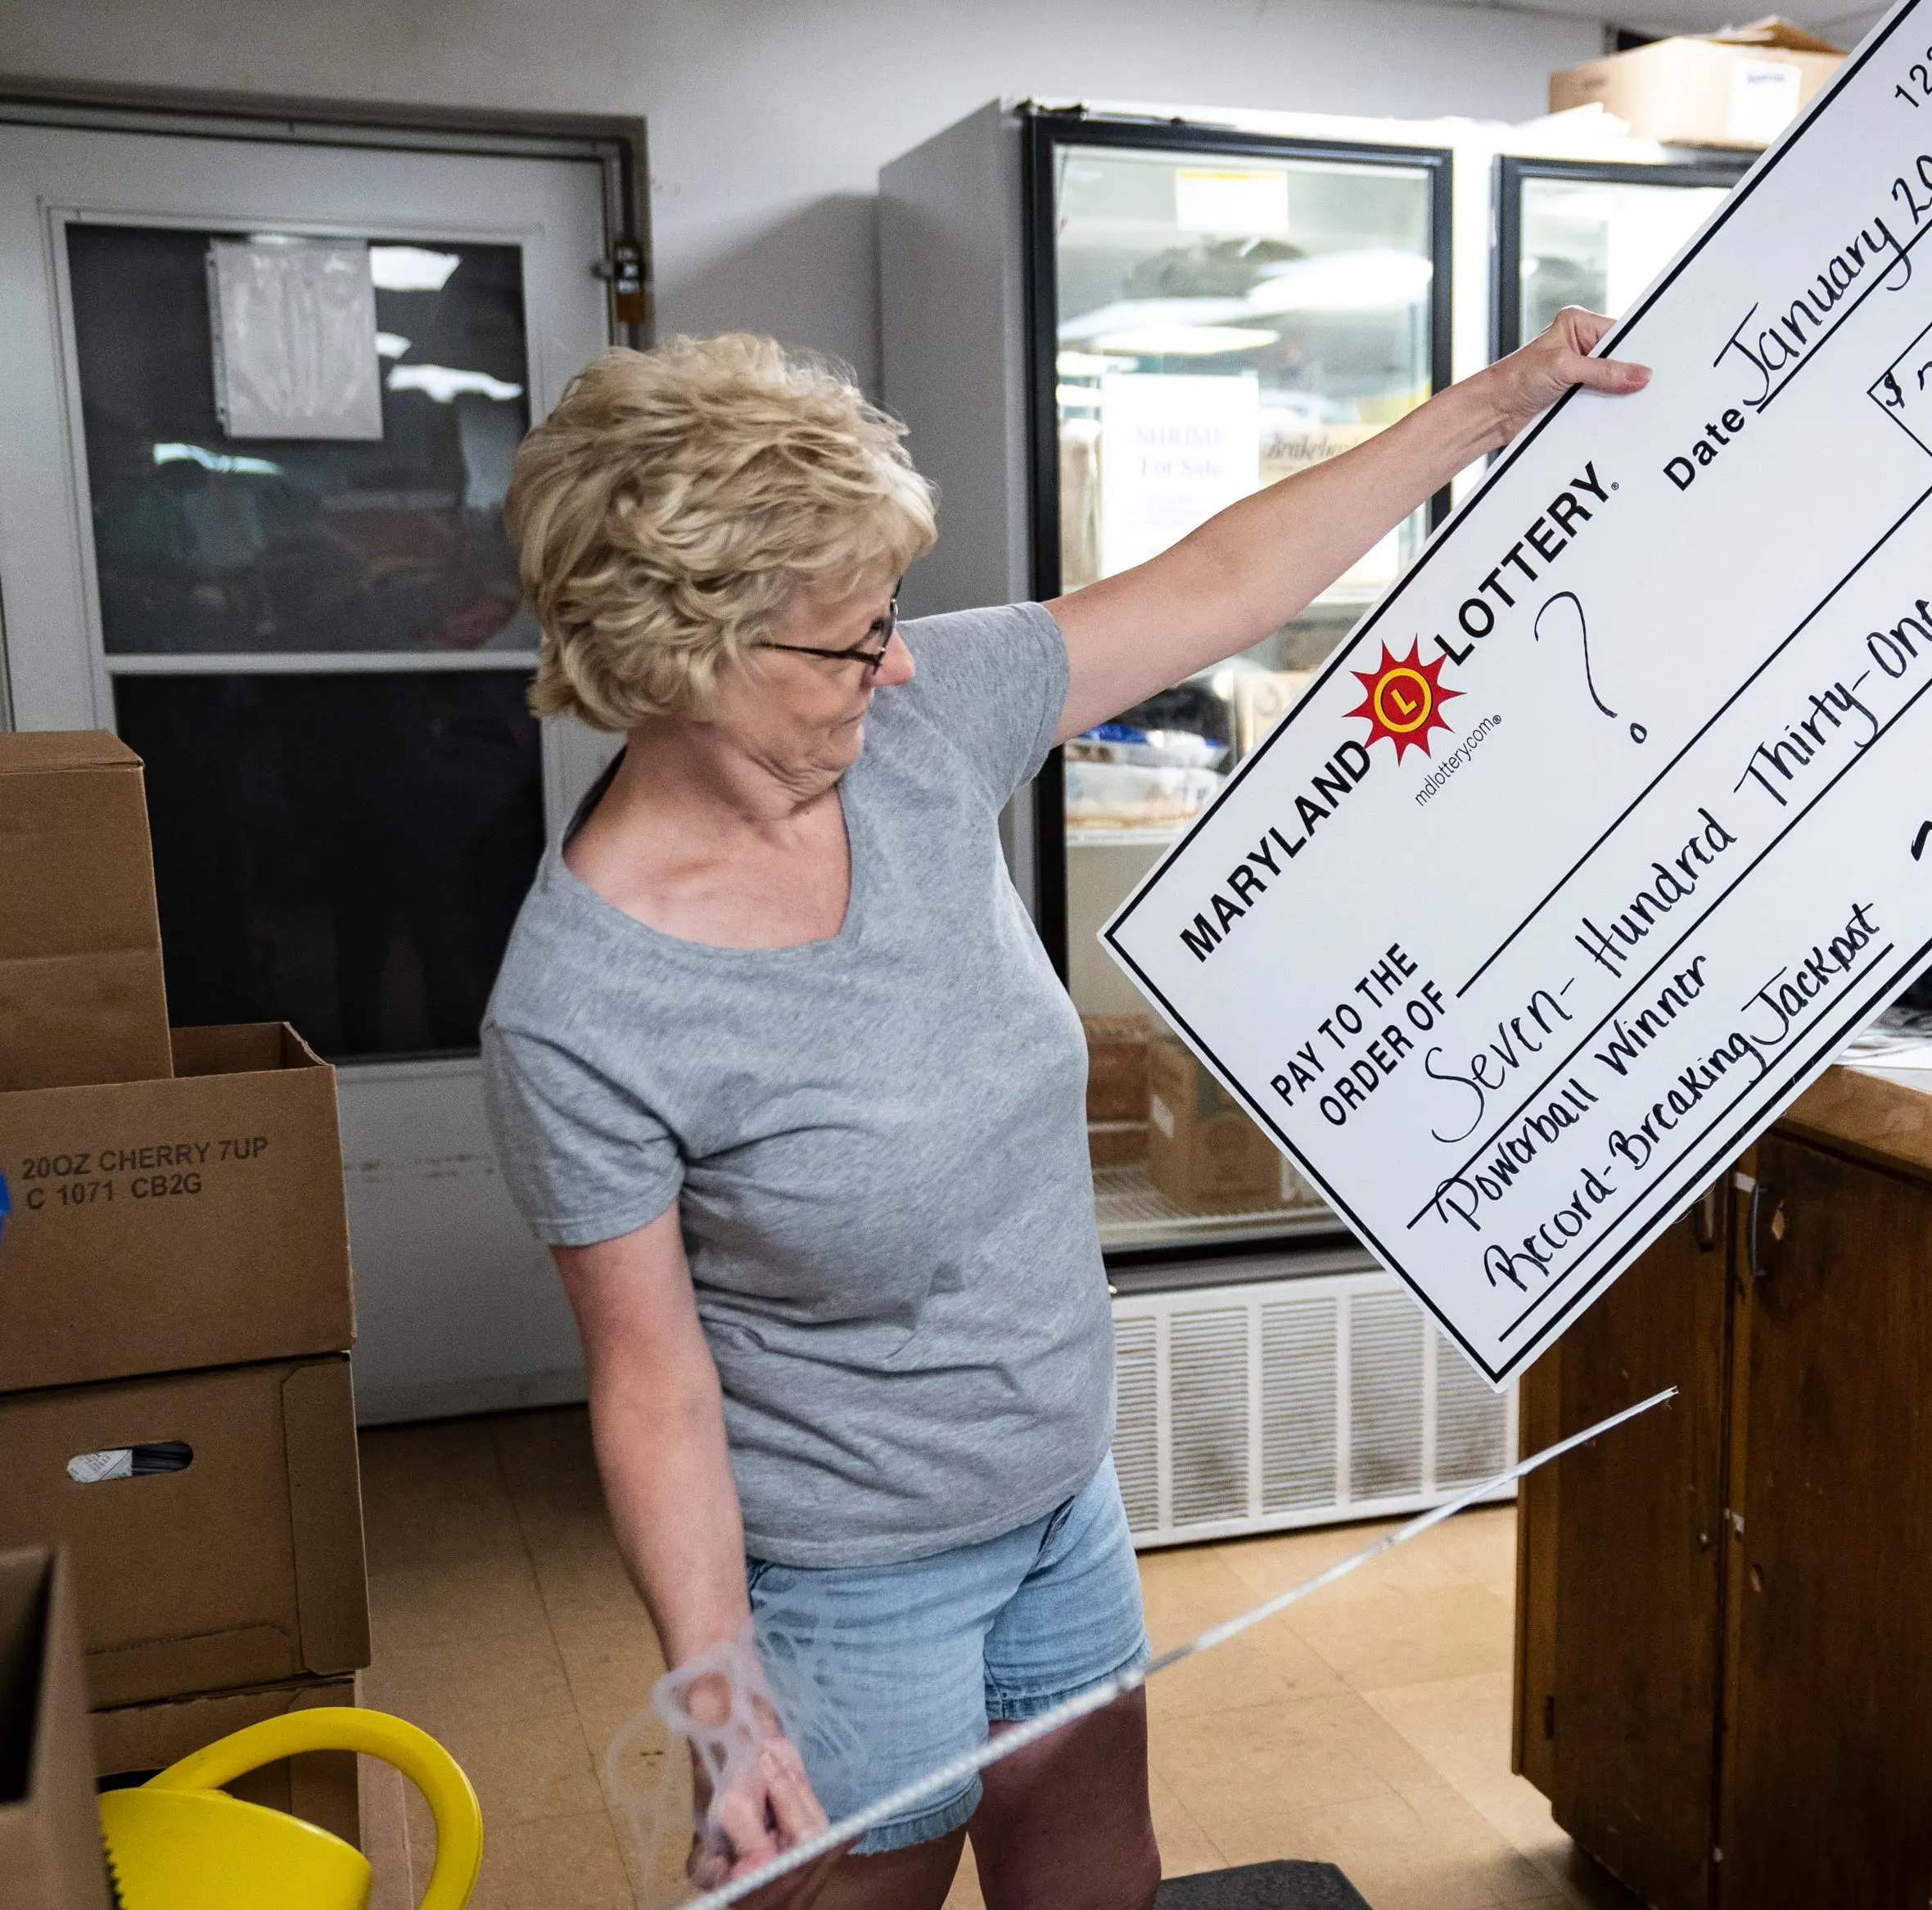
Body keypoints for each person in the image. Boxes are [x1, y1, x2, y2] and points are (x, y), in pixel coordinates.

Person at [481, 314, 1650, 1910]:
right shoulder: (583, 1007)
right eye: (849, 639)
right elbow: (654, 1383)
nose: (895, 660)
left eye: (890, 619)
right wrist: (722, 1694)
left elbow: (1221, 583)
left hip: (1059, 1495)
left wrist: (1491, 408)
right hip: (846, 1576)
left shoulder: (914, 725)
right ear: (683, 658)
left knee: (1098, 1879)